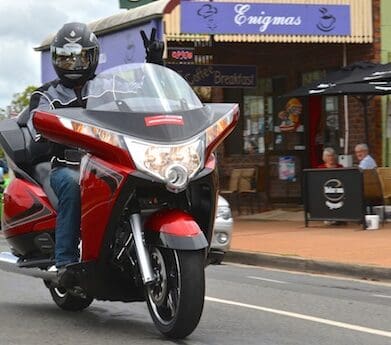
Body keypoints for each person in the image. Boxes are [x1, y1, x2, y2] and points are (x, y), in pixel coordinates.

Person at [28, 22, 164, 271]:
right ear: (56, 60)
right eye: (66, 59)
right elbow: (36, 123)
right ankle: (66, 262)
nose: (73, 65)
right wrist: (46, 135)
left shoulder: (110, 86)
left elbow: (144, 93)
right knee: (71, 185)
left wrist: (155, 63)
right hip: (69, 166)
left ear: (93, 58)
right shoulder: (46, 95)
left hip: (110, 163)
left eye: (80, 58)